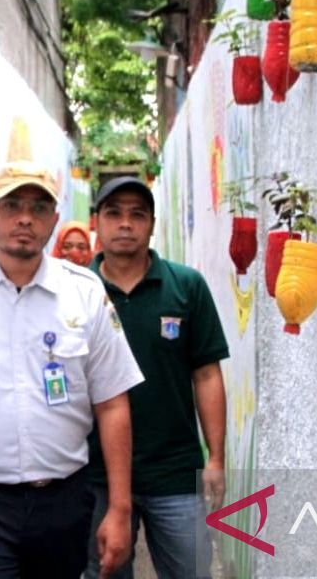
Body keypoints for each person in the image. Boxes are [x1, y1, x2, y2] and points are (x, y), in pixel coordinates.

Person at [0, 160, 145, 579]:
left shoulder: (85, 294)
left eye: (39, 208)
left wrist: (119, 507)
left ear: (54, 219)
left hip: (64, 501)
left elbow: (112, 403)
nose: (25, 218)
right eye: (12, 205)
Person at [84, 177, 230, 579]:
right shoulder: (76, 290)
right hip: (96, 474)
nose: (125, 224)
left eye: (137, 215)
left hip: (176, 473)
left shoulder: (186, 286)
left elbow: (206, 374)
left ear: (151, 224)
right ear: (96, 221)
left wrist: (215, 458)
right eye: (114, 214)